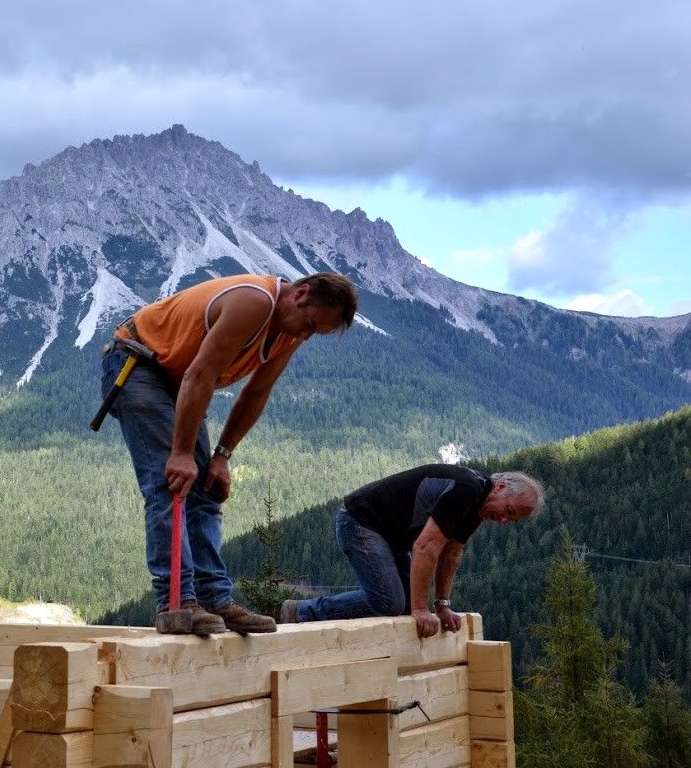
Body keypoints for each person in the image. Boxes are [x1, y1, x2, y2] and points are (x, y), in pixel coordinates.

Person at [101, 272, 359, 634]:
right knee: (171, 482)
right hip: (139, 363)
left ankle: (215, 600)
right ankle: (177, 604)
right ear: (300, 293)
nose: (305, 335)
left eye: (315, 332)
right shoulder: (253, 301)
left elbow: (256, 393)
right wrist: (180, 453)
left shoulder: (289, 332)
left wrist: (221, 456)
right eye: (310, 324)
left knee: (205, 488)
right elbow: (201, 374)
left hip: (177, 379)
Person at [279, 465, 544, 637]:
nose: (504, 520)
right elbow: (426, 547)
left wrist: (441, 606)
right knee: (390, 602)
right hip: (360, 523)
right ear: (500, 488)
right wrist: (420, 608)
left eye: (513, 520)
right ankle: (302, 612)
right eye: (509, 511)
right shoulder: (466, 490)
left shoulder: (477, 507)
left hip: (389, 537)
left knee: (404, 608)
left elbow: (451, 554)